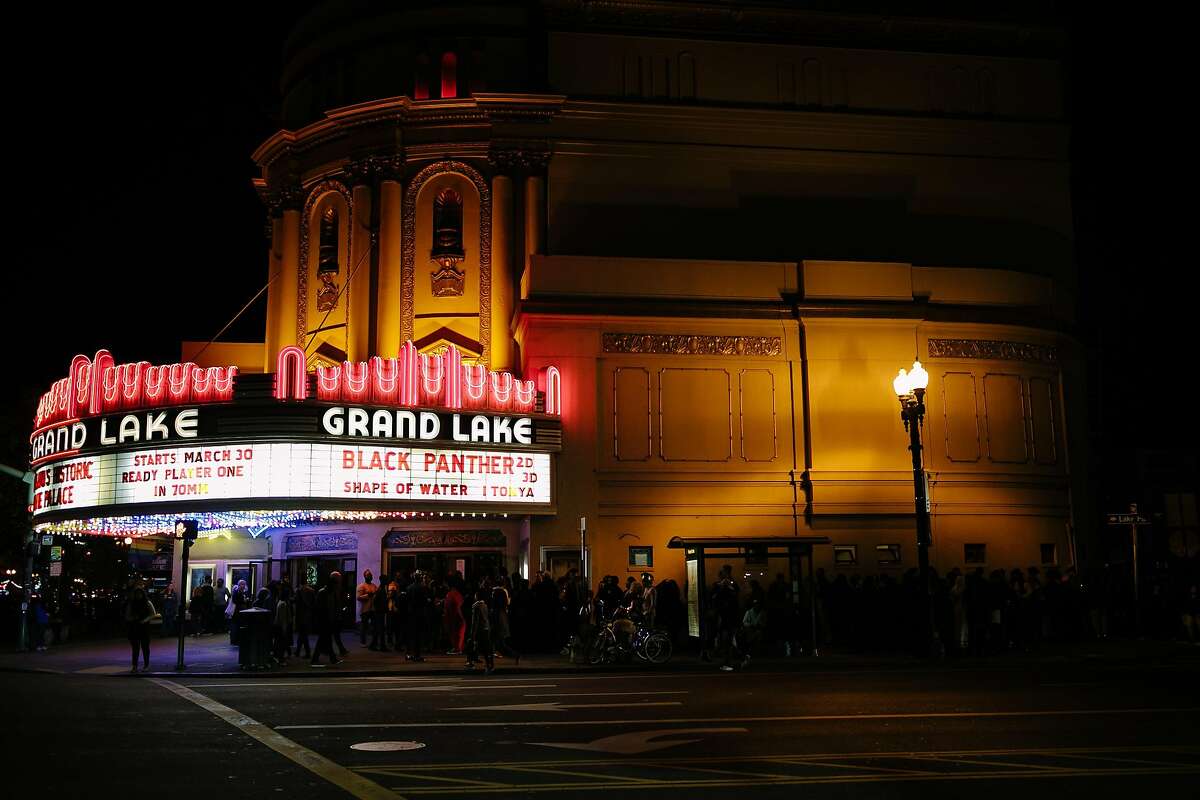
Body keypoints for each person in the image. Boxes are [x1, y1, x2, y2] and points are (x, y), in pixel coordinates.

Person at [311, 572, 343, 666]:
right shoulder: (323, 593)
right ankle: (330, 659)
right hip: (324, 621)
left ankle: (321, 658)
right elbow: (319, 608)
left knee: (324, 640)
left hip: (328, 620)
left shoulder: (331, 593)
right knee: (325, 640)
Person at [713, 564, 741, 671]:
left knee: (727, 639)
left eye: (724, 571)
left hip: (728, 616)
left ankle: (729, 661)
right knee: (726, 639)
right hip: (725, 615)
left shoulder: (730, 583)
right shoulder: (724, 584)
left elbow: (734, 595)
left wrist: (726, 587)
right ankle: (730, 659)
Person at [124, 583, 157, 672]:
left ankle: (145, 665)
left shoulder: (147, 603)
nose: (138, 596)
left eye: (140, 594)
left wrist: (145, 620)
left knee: (144, 647)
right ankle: (135, 666)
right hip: (135, 627)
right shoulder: (132, 604)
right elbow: (127, 616)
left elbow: (153, 614)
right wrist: (133, 618)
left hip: (143, 627)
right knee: (136, 648)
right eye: (137, 594)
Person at [466, 588, 494, 674]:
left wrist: (472, 634)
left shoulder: (476, 606)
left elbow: (475, 621)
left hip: (479, 630)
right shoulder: (485, 605)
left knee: (470, 643)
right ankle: (489, 664)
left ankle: (470, 662)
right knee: (485, 648)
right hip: (486, 628)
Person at [405, 571, 430, 661]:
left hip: (410, 613)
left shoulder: (409, 588)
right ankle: (417, 655)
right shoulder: (422, 588)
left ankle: (409, 653)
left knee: (411, 634)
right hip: (419, 613)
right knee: (418, 635)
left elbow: (407, 601)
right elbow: (424, 601)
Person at [294, 579, 315, 659]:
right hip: (308, 614)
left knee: (302, 634)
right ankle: (299, 651)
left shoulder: (298, 591)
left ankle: (307, 652)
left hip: (301, 614)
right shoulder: (311, 591)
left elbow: (296, 601)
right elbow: (313, 602)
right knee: (303, 634)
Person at [443, 579, 465, 655]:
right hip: (454, 616)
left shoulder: (452, 594)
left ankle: (457, 648)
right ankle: (457, 647)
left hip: (454, 617)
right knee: (455, 633)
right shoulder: (455, 594)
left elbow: (457, 606)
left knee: (455, 633)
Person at [274, 584, 294, 664]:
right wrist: (284, 628)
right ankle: (280, 659)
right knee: (281, 644)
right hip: (281, 626)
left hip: (279, 626)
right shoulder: (283, 604)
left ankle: (278, 657)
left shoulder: (280, 602)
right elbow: (283, 619)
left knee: (279, 643)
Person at [356, 569, 377, 646]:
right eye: (368, 575)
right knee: (364, 626)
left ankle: (373, 642)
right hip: (365, 609)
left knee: (374, 625)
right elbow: (358, 597)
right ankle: (363, 642)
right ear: (365, 576)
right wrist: (367, 595)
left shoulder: (374, 586)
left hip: (373, 609)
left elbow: (376, 595)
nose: (370, 576)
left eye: (371, 575)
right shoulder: (361, 586)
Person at [369, 574, 390, 651]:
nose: (387, 581)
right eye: (386, 579)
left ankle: (374, 645)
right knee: (380, 629)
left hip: (379, 611)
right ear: (383, 580)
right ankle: (382, 646)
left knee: (378, 629)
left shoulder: (381, 589)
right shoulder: (380, 589)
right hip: (379, 612)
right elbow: (376, 600)